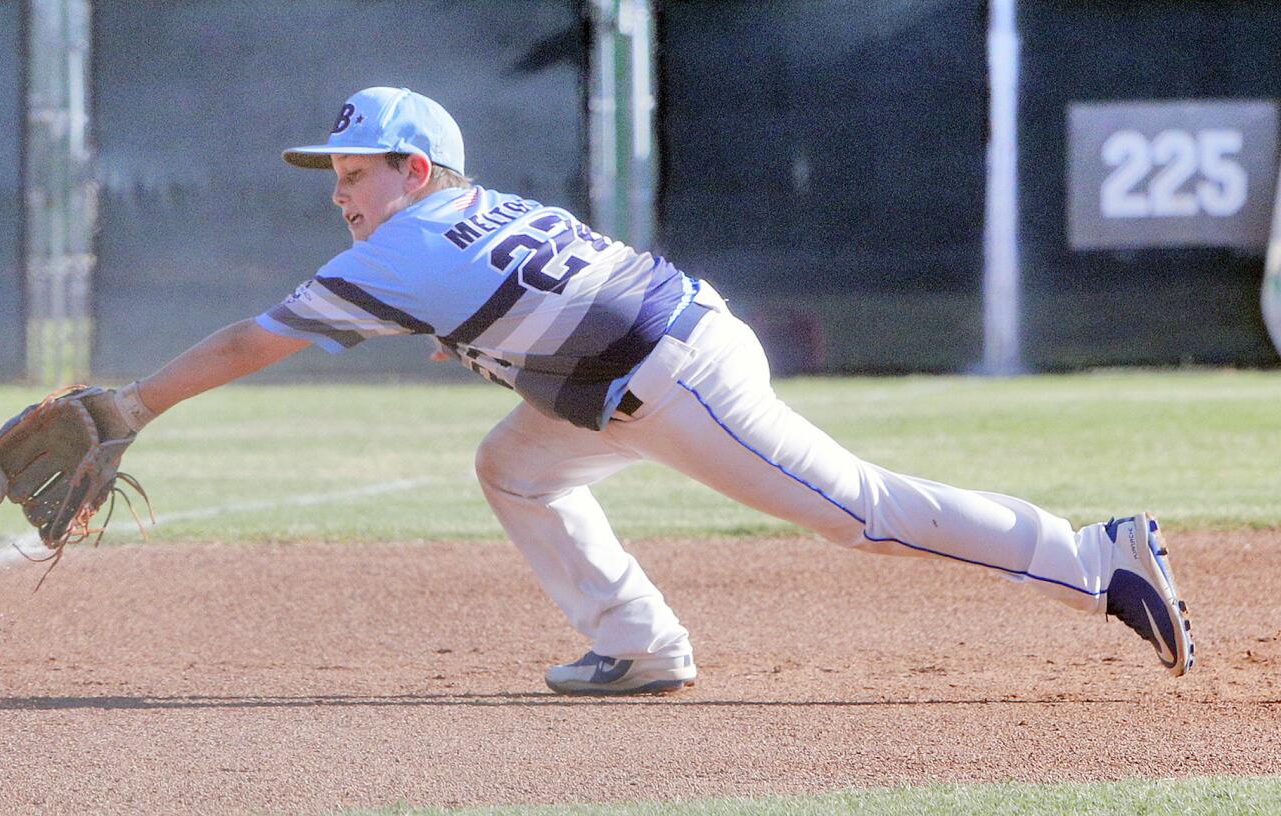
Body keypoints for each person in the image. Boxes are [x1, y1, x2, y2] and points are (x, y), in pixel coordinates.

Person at [98, 87, 1193, 695]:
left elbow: (251, 341)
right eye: (336, 176)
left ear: (415, 172)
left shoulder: (405, 243)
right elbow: (522, 298)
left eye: (356, 173)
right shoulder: (478, 210)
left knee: (860, 513)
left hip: (674, 379)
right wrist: (488, 342)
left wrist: (131, 406)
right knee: (515, 468)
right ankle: (638, 642)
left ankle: (1093, 558)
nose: (341, 194)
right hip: (658, 353)